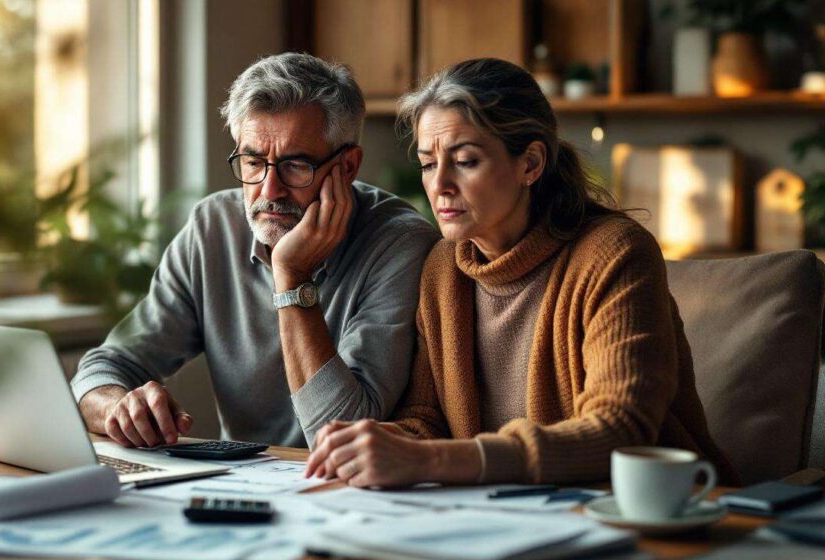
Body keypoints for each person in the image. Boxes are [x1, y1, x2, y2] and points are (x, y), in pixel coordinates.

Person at [306, 58, 738, 487]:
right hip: (510, 516)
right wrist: (378, 443)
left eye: (466, 160)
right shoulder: (443, 267)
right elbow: (426, 418)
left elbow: (620, 430)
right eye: (427, 163)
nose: (439, 186)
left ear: (530, 164)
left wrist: (430, 459)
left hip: (659, 513)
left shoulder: (614, 254)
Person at [71, 53, 439, 449]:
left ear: (347, 166)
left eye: (295, 165)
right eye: (252, 161)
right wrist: (118, 408)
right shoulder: (212, 227)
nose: (268, 191)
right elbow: (101, 368)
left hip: (345, 493)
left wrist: (292, 275)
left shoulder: (400, 243)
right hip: (239, 483)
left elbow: (341, 434)